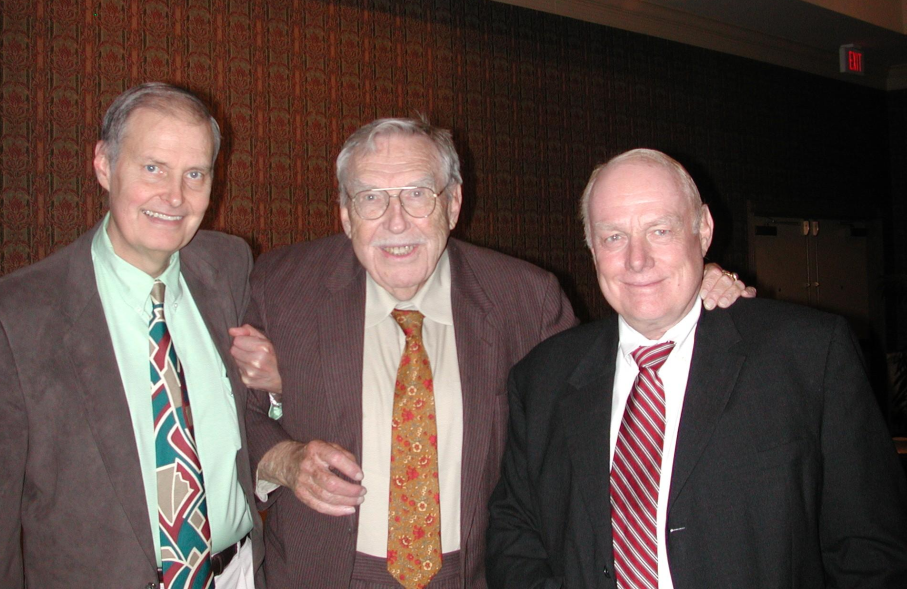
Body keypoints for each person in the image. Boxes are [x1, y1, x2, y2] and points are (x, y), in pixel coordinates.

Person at [232, 123, 750, 588]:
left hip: (474, 574)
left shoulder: (525, 298)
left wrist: (684, 296)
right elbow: (238, 413)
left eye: (417, 194)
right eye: (371, 198)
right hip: (322, 574)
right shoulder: (283, 286)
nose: (396, 222)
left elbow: (599, 404)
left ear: (453, 204)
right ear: (346, 215)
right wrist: (285, 458)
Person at [486, 148, 907, 589]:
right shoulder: (542, 378)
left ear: (703, 230)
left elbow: (870, 549)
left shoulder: (807, 355)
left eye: (660, 231)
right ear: (591, 247)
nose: (636, 260)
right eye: (613, 237)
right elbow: (515, 538)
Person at [0, 83, 266, 589]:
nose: (174, 196)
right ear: (104, 164)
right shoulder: (13, 317)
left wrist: (274, 388)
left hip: (237, 574)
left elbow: (257, 410)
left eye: (195, 174)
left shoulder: (228, 266)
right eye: (152, 168)